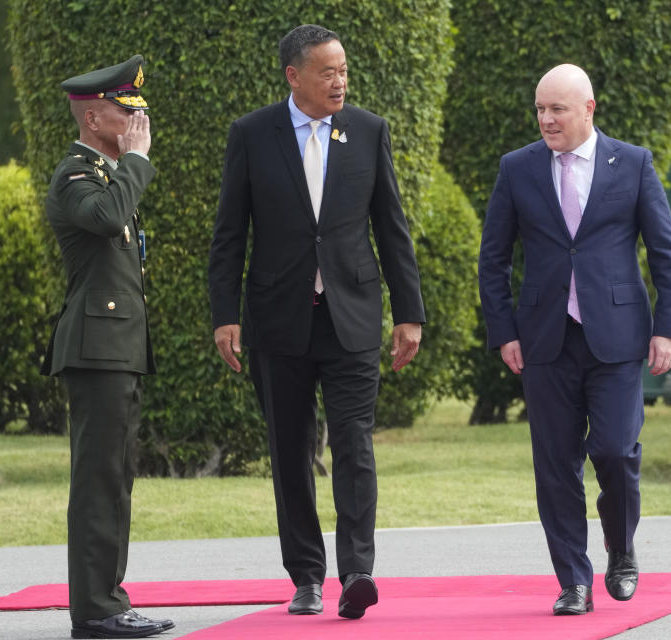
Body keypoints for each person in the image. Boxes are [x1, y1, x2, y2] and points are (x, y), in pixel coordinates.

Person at [208, 24, 425, 619]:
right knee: (290, 448)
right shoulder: (252, 135)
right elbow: (230, 234)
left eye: (344, 70)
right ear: (293, 76)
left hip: (351, 316)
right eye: (327, 71)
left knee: (354, 443)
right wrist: (225, 315)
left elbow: (391, 227)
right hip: (278, 318)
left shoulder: (369, 130)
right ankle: (306, 575)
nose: (340, 80)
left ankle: (357, 571)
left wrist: (409, 313)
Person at [478, 64, 671, 615]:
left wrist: (668, 328)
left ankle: (621, 545)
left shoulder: (634, 163)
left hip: (617, 340)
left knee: (616, 453)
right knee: (555, 464)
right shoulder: (517, 168)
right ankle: (573, 580)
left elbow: (666, 254)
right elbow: (493, 260)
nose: (546, 119)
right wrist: (504, 333)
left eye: (558, 109)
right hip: (544, 339)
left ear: (589, 109)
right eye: (540, 109)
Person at [41, 55, 175, 638]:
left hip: (114, 350)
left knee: (115, 480)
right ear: (95, 118)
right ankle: (95, 610)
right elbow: (109, 215)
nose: (139, 125)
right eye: (128, 114)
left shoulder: (104, 173)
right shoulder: (77, 176)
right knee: (98, 482)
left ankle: (110, 602)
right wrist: (138, 163)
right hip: (96, 351)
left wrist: (131, 163)